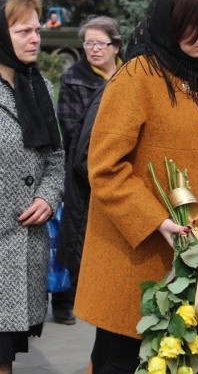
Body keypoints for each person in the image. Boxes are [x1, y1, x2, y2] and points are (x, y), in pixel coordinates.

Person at [73, 0, 198, 373]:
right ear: (171, 19)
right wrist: (156, 220)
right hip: (138, 261)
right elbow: (105, 167)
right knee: (128, 361)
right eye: (197, 23)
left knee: (197, 362)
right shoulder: (136, 76)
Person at [0, 0, 65, 374]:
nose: (35, 39)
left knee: (5, 352)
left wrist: (47, 196)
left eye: (37, 30)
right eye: (24, 31)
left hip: (24, 240)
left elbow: (55, 158)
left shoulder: (39, 86)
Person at [53, 16, 124, 326]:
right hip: (83, 167)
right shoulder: (73, 78)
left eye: (100, 43)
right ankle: (64, 301)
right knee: (75, 233)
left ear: (116, 46)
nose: (93, 49)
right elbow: (70, 128)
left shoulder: (129, 74)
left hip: (120, 167)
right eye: (88, 44)